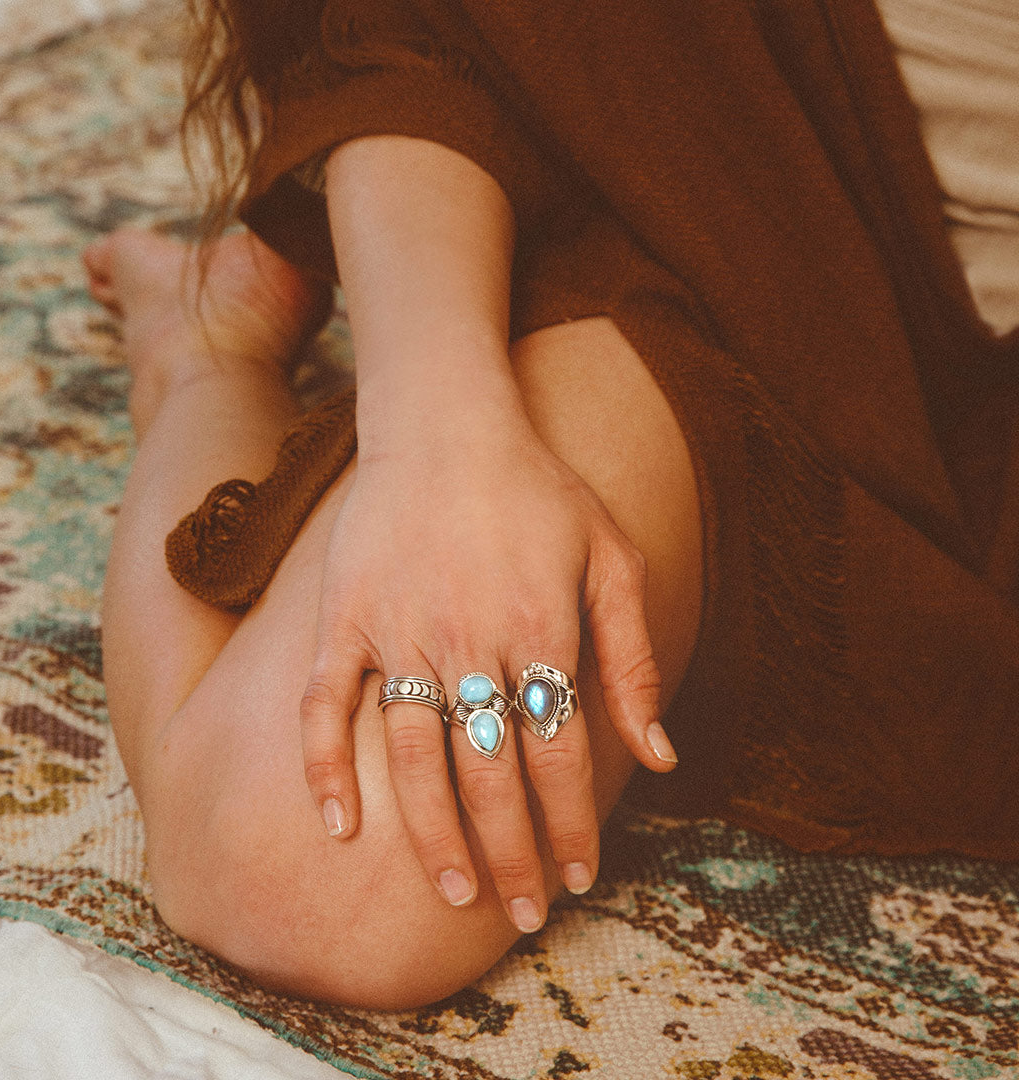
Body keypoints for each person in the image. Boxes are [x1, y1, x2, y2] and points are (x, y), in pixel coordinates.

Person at [84, 0, 1019, 1010]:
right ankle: (201, 355)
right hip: (730, 217)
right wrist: (439, 436)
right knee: (308, 877)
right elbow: (432, 34)